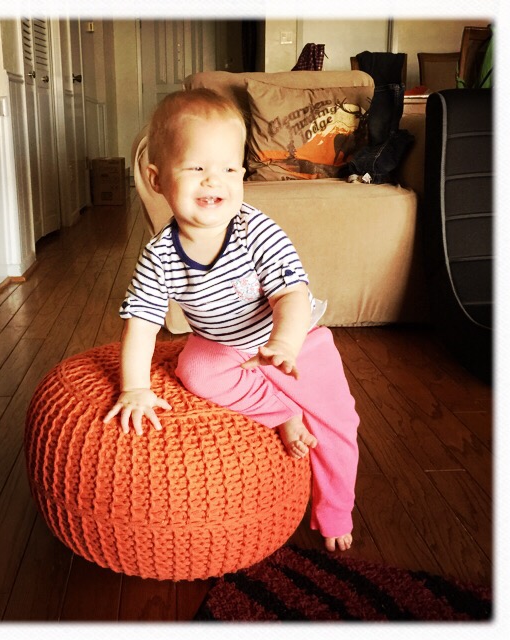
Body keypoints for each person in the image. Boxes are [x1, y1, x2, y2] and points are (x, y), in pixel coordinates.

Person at [103, 88, 359, 552]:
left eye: (228, 169)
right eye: (196, 168)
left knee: (340, 421)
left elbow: (292, 296)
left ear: (242, 175)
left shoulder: (255, 230)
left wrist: (284, 345)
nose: (213, 181)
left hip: (295, 338)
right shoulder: (160, 256)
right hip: (224, 344)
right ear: (157, 179)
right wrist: (134, 388)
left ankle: (336, 508)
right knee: (194, 369)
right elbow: (140, 324)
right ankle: (281, 413)